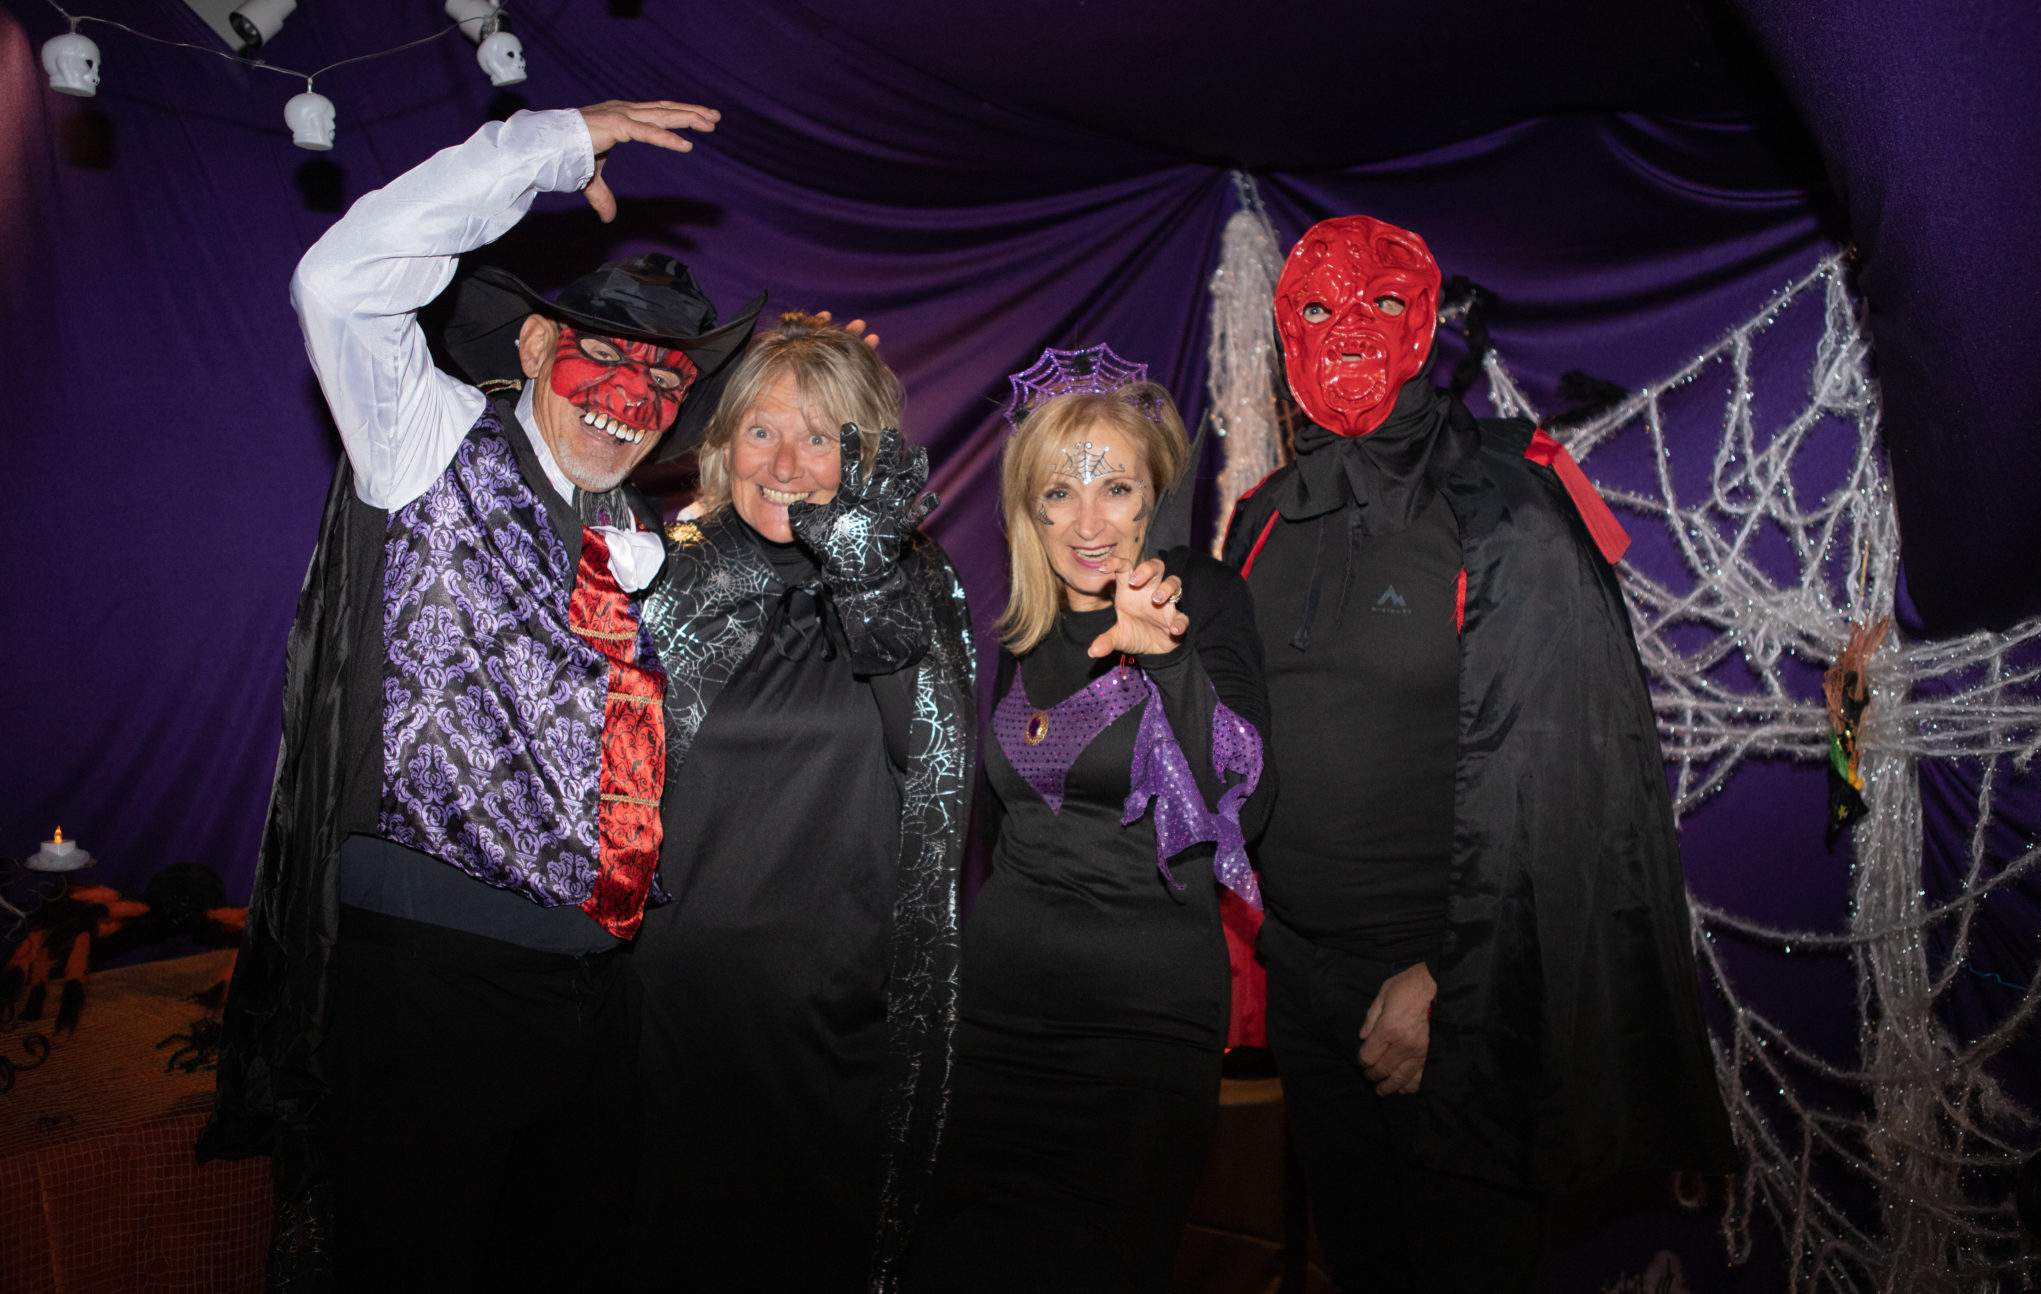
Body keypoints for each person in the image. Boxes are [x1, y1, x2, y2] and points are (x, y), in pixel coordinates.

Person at [199, 101, 764, 1289]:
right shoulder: (429, 440)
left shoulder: (640, 541)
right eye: (605, 352)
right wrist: (547, 145)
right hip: (433, 986)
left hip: (596, 997)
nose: (631, 392)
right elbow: (339, 283)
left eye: (663, 376)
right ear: (533, 348)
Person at [1221, 214, 1735, 1291]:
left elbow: (1559, 779)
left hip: (1452, 998)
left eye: (1379, 304)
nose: (1347, 330)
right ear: (1284, 333)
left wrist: (1452, 987)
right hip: (1304, 982)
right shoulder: (1260, 520)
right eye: (1316, 307)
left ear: (1422, 327)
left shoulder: (1507, 510)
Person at [902, 349, 1270, 1294]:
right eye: (1059, 494)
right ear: (1029, 512)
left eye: (1116, 488)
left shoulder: (1203, 602)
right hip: (995, 1018)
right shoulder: (1016, 634)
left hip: (1140, 1031)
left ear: (1155, 496)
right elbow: (987, 834)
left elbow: (1243, 805)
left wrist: (1170, 663)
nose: (1089, 522)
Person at [628, 312, 978, 1293]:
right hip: (674, 1008)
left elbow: (937, 763)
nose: (784, 464)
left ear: (861, 455)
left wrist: (864, 577)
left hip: (837, 1016)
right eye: (761, 430)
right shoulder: (669, 572)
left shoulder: (910, 577)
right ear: (723, 443)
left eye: (818, 436)